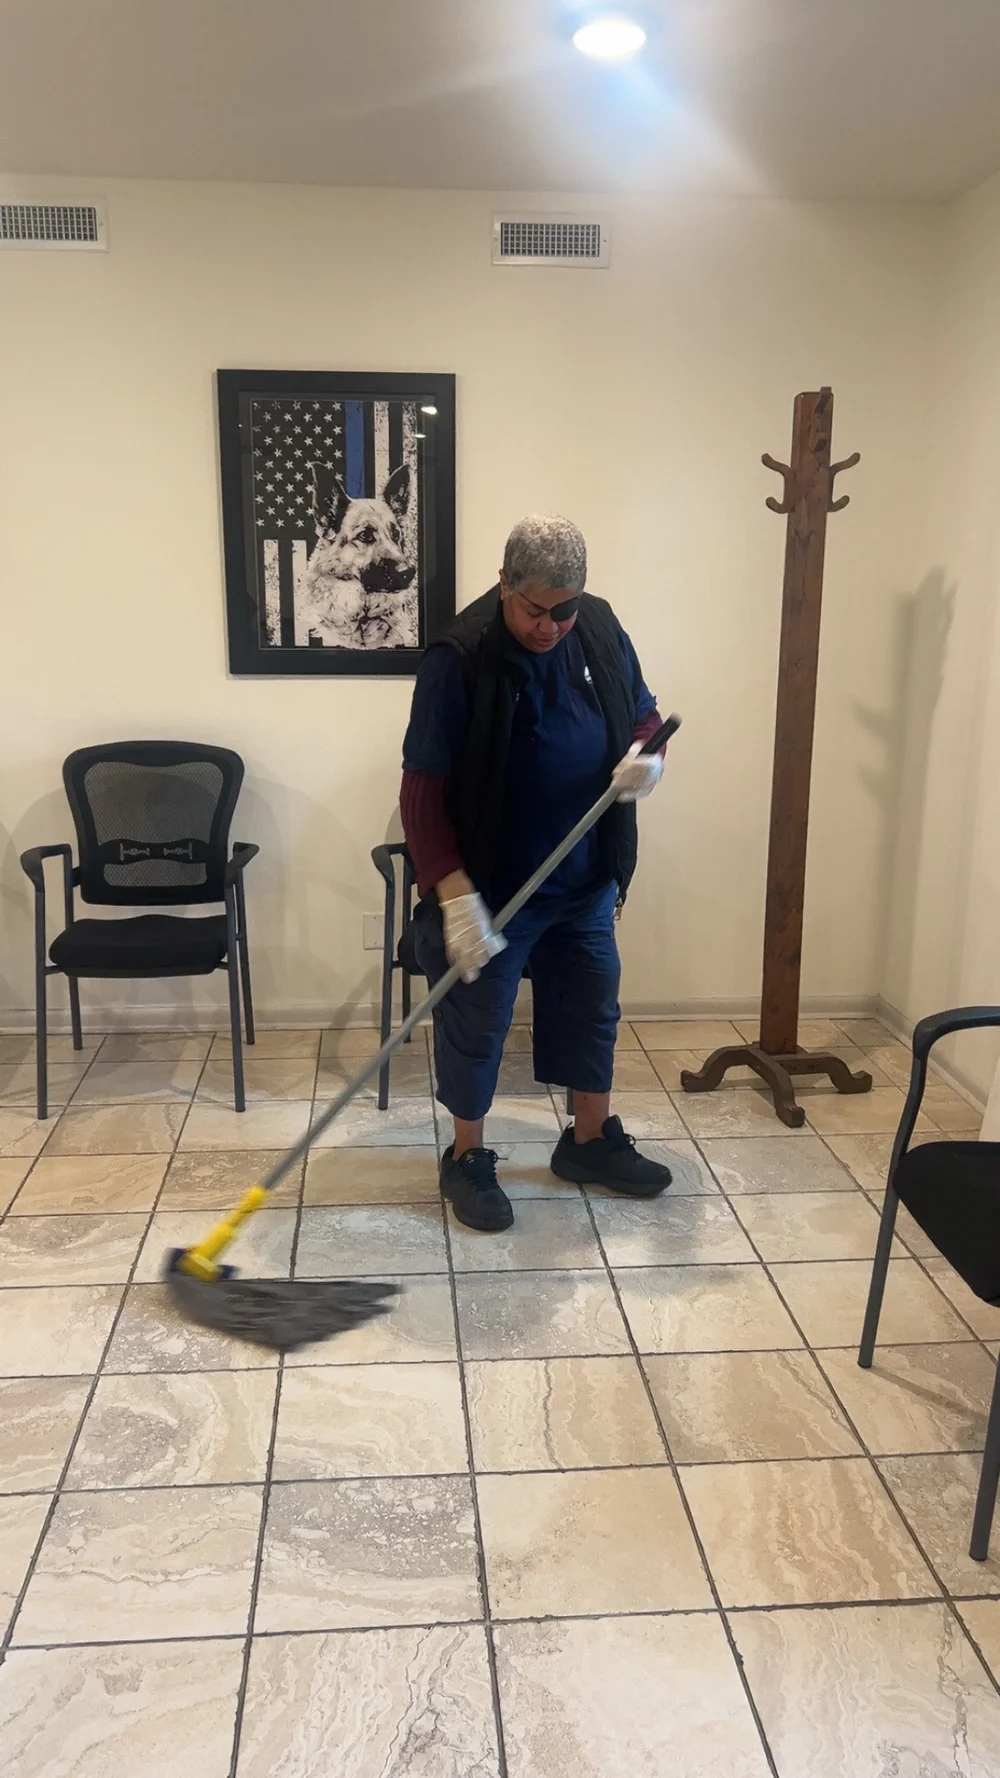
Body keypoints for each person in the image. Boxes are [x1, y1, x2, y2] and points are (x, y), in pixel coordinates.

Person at [400, 513, 672, 1232]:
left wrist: (649, 757)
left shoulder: (602, 628)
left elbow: (644, 713)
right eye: (535, 609)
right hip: (497, 888)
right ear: (504, 585)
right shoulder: (458, 658)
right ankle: (466, 1156)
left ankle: (588, 1142)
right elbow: (422, 789)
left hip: (582, 878)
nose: (552, 625)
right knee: (477, 1021)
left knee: (592, 1006)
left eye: (565, 608)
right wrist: (455, 897)